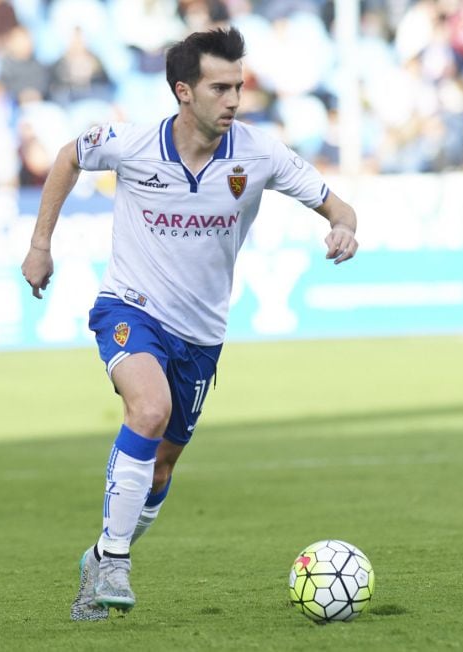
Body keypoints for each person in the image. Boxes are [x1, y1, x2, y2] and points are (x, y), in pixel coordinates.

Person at [20, 27, 359, 621]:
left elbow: (337, 203)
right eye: (219, 87)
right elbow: (70, 155)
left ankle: (99, 553)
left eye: (238, 86)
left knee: (162, 467)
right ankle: (118, 561)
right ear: (183, 91)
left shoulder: (261, 154)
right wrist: (40, 244)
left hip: (201, 337)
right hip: (130, 308)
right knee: (146, 410)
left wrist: (343, 227)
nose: (233, 100)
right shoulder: (130, 142)